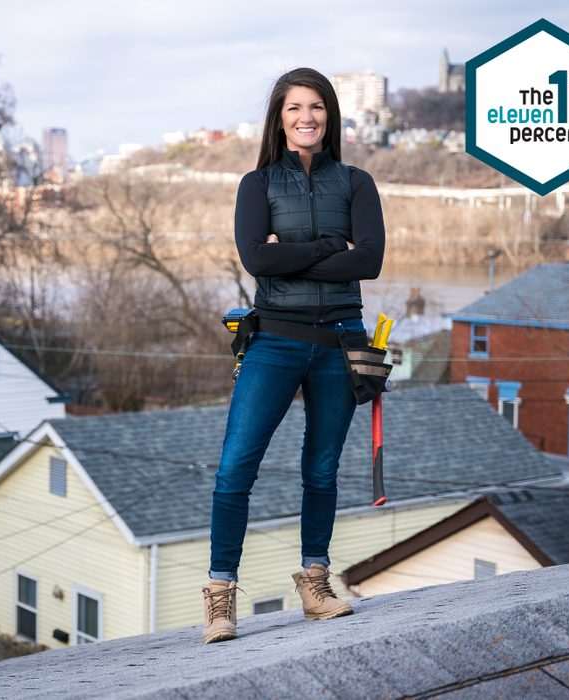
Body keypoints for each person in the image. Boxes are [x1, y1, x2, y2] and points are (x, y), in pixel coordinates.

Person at [203, 67, 385, 644]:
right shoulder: (256, 185)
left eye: (317, 108)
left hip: (340, 342)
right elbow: (257, 260)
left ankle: (314, 584)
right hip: (275, 340)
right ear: (279, 119)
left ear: (331, 116)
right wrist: (334, 246)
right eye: (294, 108)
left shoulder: (358, 183)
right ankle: (221, 594)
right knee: (236, 467)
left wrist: (296, 254)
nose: (306, 117)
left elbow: (370, 262)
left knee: (322, 469)